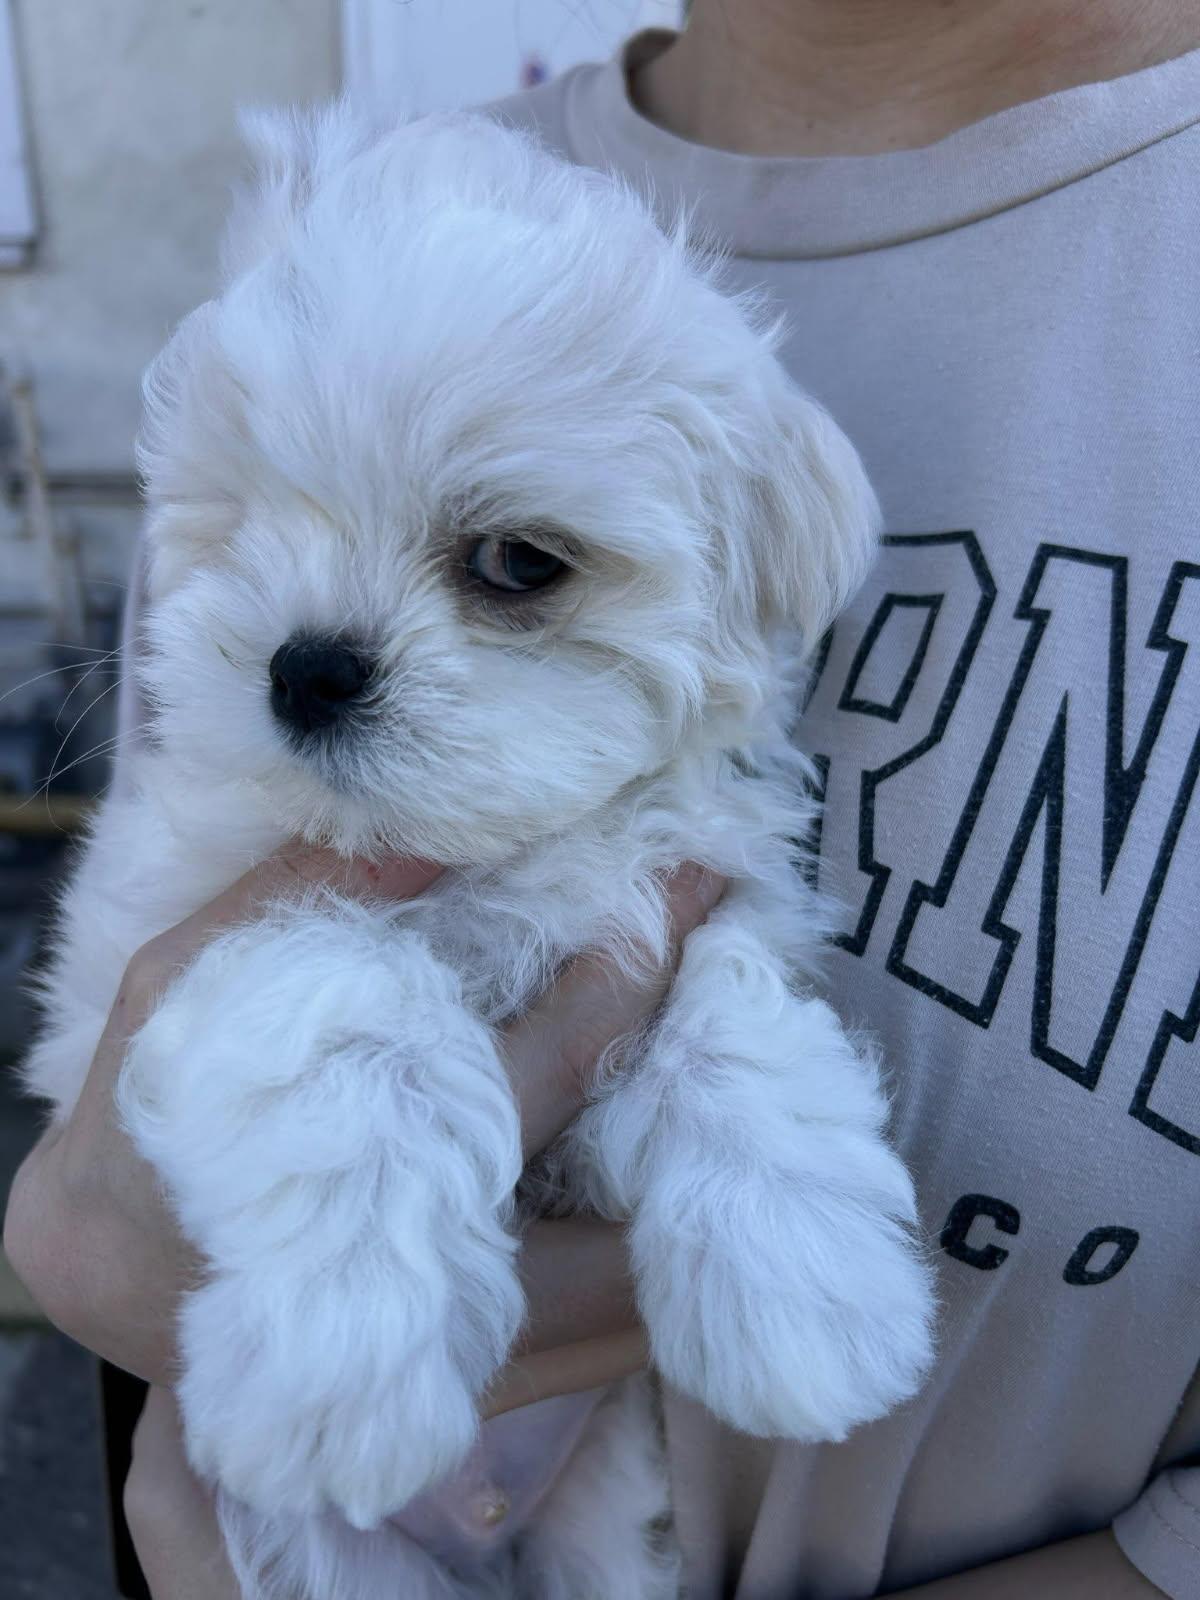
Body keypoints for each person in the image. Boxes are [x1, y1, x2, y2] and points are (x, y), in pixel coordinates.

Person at [7, 0, 1200, 1594]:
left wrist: (722, 1112)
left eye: (512, 568)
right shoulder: (355, 221)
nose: (319, 647)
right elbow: (139, 1036)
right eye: (273, 514)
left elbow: (682, 978)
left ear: (744, 563)